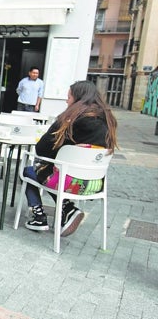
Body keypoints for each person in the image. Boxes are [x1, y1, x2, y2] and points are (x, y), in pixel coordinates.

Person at [23, 80, 118, 236]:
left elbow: (41, 150)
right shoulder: (108, 121)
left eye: (69, 97)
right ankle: (67, 209)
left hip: (69, 182)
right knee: (60, 174)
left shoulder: (69, 119)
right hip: (94, 183)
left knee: (29, 171)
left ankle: (41, 217)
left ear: (78, 98)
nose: (66, 101)